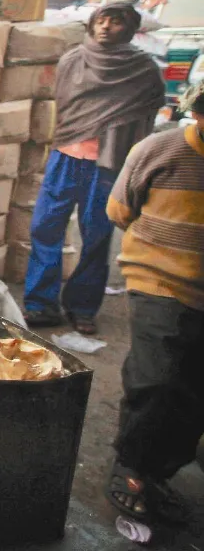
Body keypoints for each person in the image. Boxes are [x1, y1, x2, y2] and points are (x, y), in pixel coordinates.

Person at [23, 3, 163, 333]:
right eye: (101, 20)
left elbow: (147, 113)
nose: (105, 27)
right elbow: (64, 102)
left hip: (108, 164)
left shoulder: (143, 69)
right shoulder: (74, 59)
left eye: (116, 22)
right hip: (66, 156)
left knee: (97, 236)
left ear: (130, 29)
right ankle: (40, 304)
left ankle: (82, 307)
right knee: (45, 227)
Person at [104, 82, 204, 526]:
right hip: (158, 279)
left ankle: (161, 470)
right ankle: (131, 468)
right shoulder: (159, 151)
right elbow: (119, 210)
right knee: (157, 380)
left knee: (193, 390)